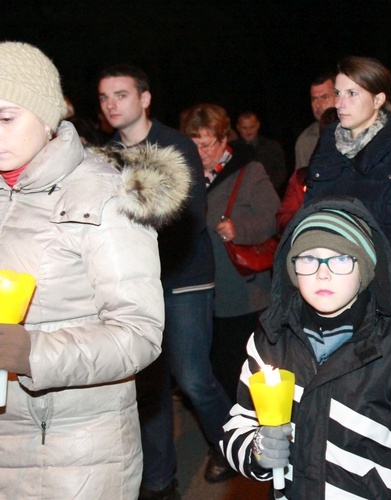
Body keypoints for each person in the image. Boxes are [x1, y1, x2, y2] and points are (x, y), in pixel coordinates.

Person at [0, 42, 189, 499]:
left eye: (6, 118)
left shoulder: (103, 195)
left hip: (72, 454)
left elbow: (138, 332)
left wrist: (30, 352)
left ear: (46, 116)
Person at [221, 196, 391, 498]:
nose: (322, 272)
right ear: (292, 268)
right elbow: (238, 423)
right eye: (307, 258)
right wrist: (257, 448)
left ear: (366, 268)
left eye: (341, 258)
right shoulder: (271, 342)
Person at [98, 65, 234, 497]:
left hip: (183, 279)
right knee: (149, 385)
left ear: (145, 99)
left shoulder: (174, 145)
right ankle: (159, 480)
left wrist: (143, 254)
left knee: (193, 378)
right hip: (134, 285)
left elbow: (190, 217)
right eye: (104, 98)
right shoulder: (105, 156)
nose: (111, 104)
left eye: (120, 94)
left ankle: (235, 450)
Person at [305, 56, 391, 289]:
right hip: (325, 300)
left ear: (378, 99)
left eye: (352, 93)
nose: (339, 103)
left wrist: (382, 286)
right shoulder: (324, 154)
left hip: (382, 312)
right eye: (338, 93)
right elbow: (308, 225)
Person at [182, 104, 280, 408]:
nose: (199, 152)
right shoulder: (186, 177)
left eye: (205, 144)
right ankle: (227, 438)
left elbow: (273, 216)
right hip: (200, 290)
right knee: (214, 370)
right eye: (193, 144)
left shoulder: (249, 171)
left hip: (243, 291)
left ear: (224, 140)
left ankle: (255, 434)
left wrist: (239, 228)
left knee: (245, 369)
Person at [230, 111, 287, 195]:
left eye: (251, 127)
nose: (249, 132)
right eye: (244, 128)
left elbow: (281, 172)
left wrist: (267, 187)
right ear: (238, 128)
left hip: (267, 194)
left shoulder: (271, 146)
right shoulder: (231, 149)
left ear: (258, 125)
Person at [294, 72, 336, 171]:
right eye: (314, 99)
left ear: (338, 96)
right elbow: (301, 180)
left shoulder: (357, 129)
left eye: (324, 97)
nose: (318, 104)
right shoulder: (305, 141)